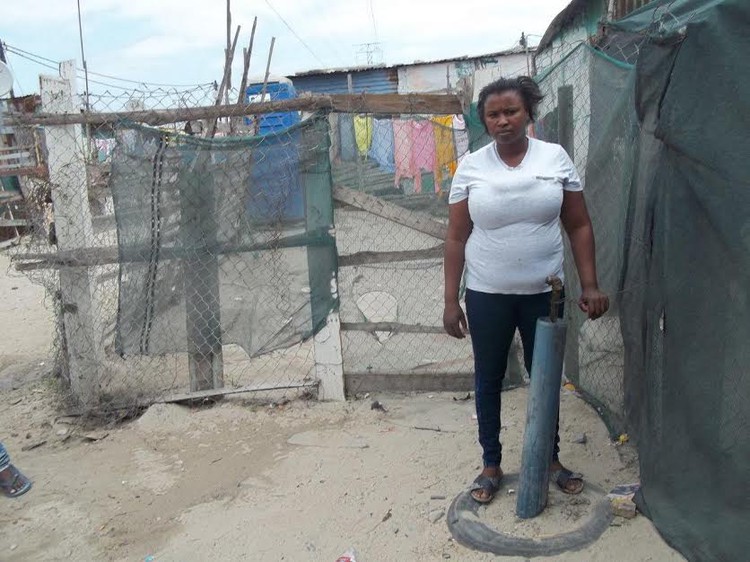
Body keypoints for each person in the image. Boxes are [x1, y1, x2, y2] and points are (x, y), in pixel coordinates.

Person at [443, 76, 609, 504]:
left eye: (511, 112)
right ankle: (491, 464)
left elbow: (578, 224)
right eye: (494, 115)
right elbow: (457, 237)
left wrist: (589, 283)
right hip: (486, 294)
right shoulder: (472, 167)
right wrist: (449, 300)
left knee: (546, 378)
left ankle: (549, 459)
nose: (503, 121)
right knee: (489, 378)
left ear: (529, 113)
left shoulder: (554, 158)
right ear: (483, 121)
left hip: (545, 294)